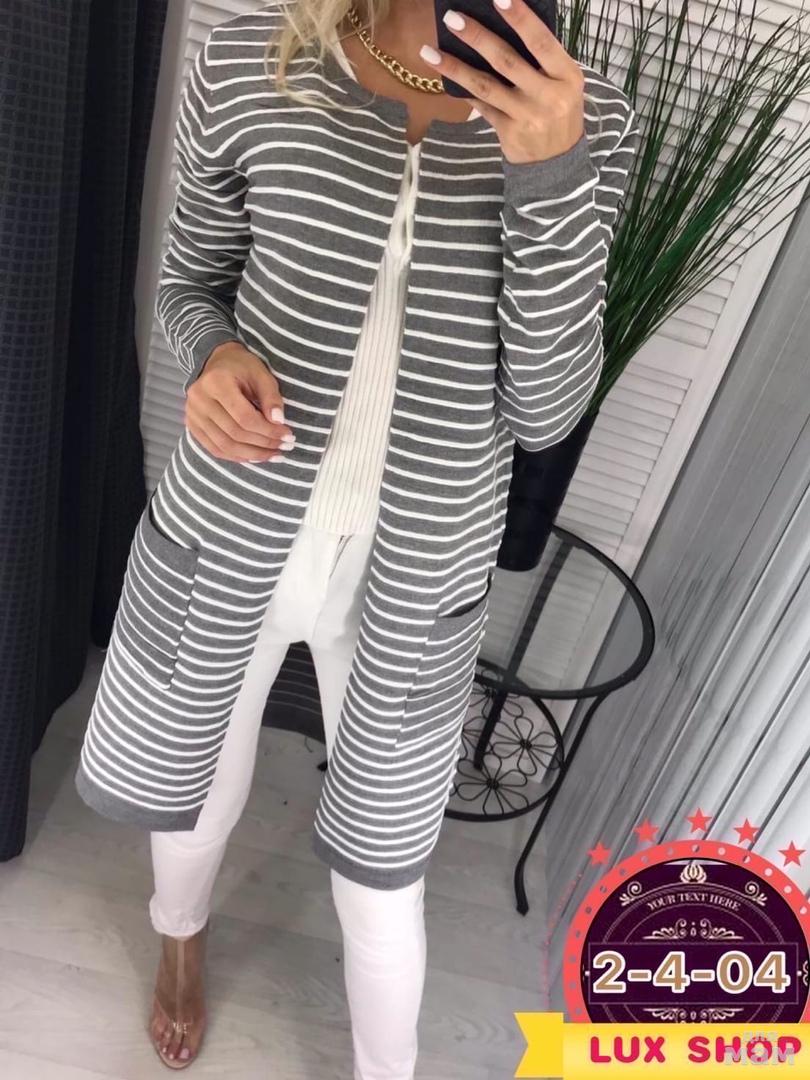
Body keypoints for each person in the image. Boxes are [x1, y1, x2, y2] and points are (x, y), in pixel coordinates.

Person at [74, 0, 638, 1072]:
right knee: (198, 789)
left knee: (384, 879)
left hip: (416, 577)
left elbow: (548, 409)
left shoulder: (585, 119)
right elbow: (191, 281)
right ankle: (178, 941)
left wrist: (550, 172)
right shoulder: (254, 58)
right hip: (230, 529)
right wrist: (211, 360)